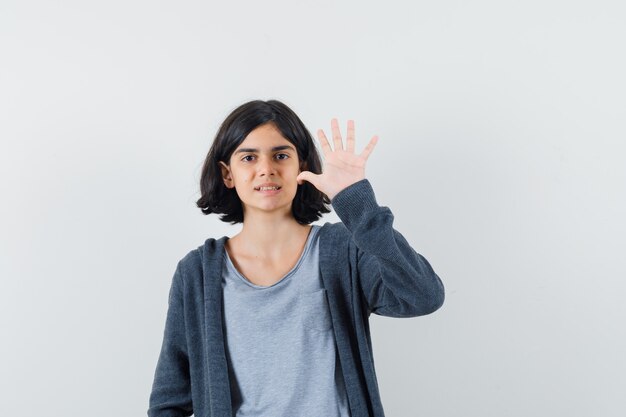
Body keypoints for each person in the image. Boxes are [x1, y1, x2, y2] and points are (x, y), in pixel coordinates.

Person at [148, 100, 445, 417]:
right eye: (249, 157)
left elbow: (423, 297)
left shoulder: (343, 251)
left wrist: (356, 204)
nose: (266, 168)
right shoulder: (196, 274)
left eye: (280, 155)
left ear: (301, 165)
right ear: (227, 174)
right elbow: (169, 401)